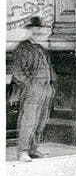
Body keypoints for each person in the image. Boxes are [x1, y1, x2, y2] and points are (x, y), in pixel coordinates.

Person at [9, 17, 55, 162]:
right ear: (29, 30)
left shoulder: (40, 48)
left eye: (40, 29)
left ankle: (33, 149)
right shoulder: (23, 48)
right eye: (35, 29)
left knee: (41, 120)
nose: (38, 32)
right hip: (32, 88)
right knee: (28, 120)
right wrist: (29, 84)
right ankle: (23, 151)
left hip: (45, 88)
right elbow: (17, 72)